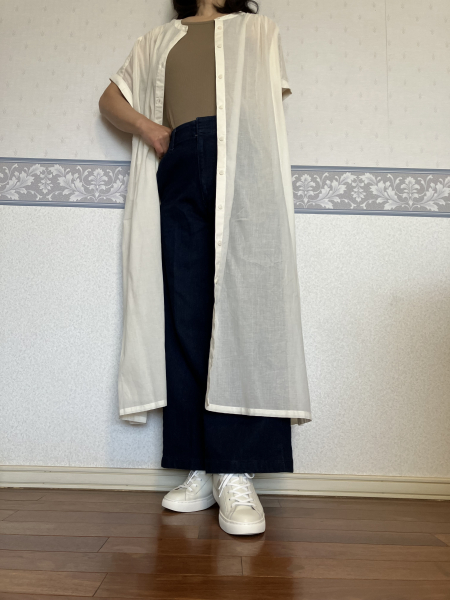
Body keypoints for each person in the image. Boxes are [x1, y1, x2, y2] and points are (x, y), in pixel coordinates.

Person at [99, 0, 312, 536]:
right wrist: (152, 129)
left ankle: (235, 469)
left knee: (246, 316)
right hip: (179, 161)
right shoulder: (157, 40)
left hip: (241, 162)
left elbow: (261, 109)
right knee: (186, 311)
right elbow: (109, 101)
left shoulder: (258, 30)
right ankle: (199, 462)